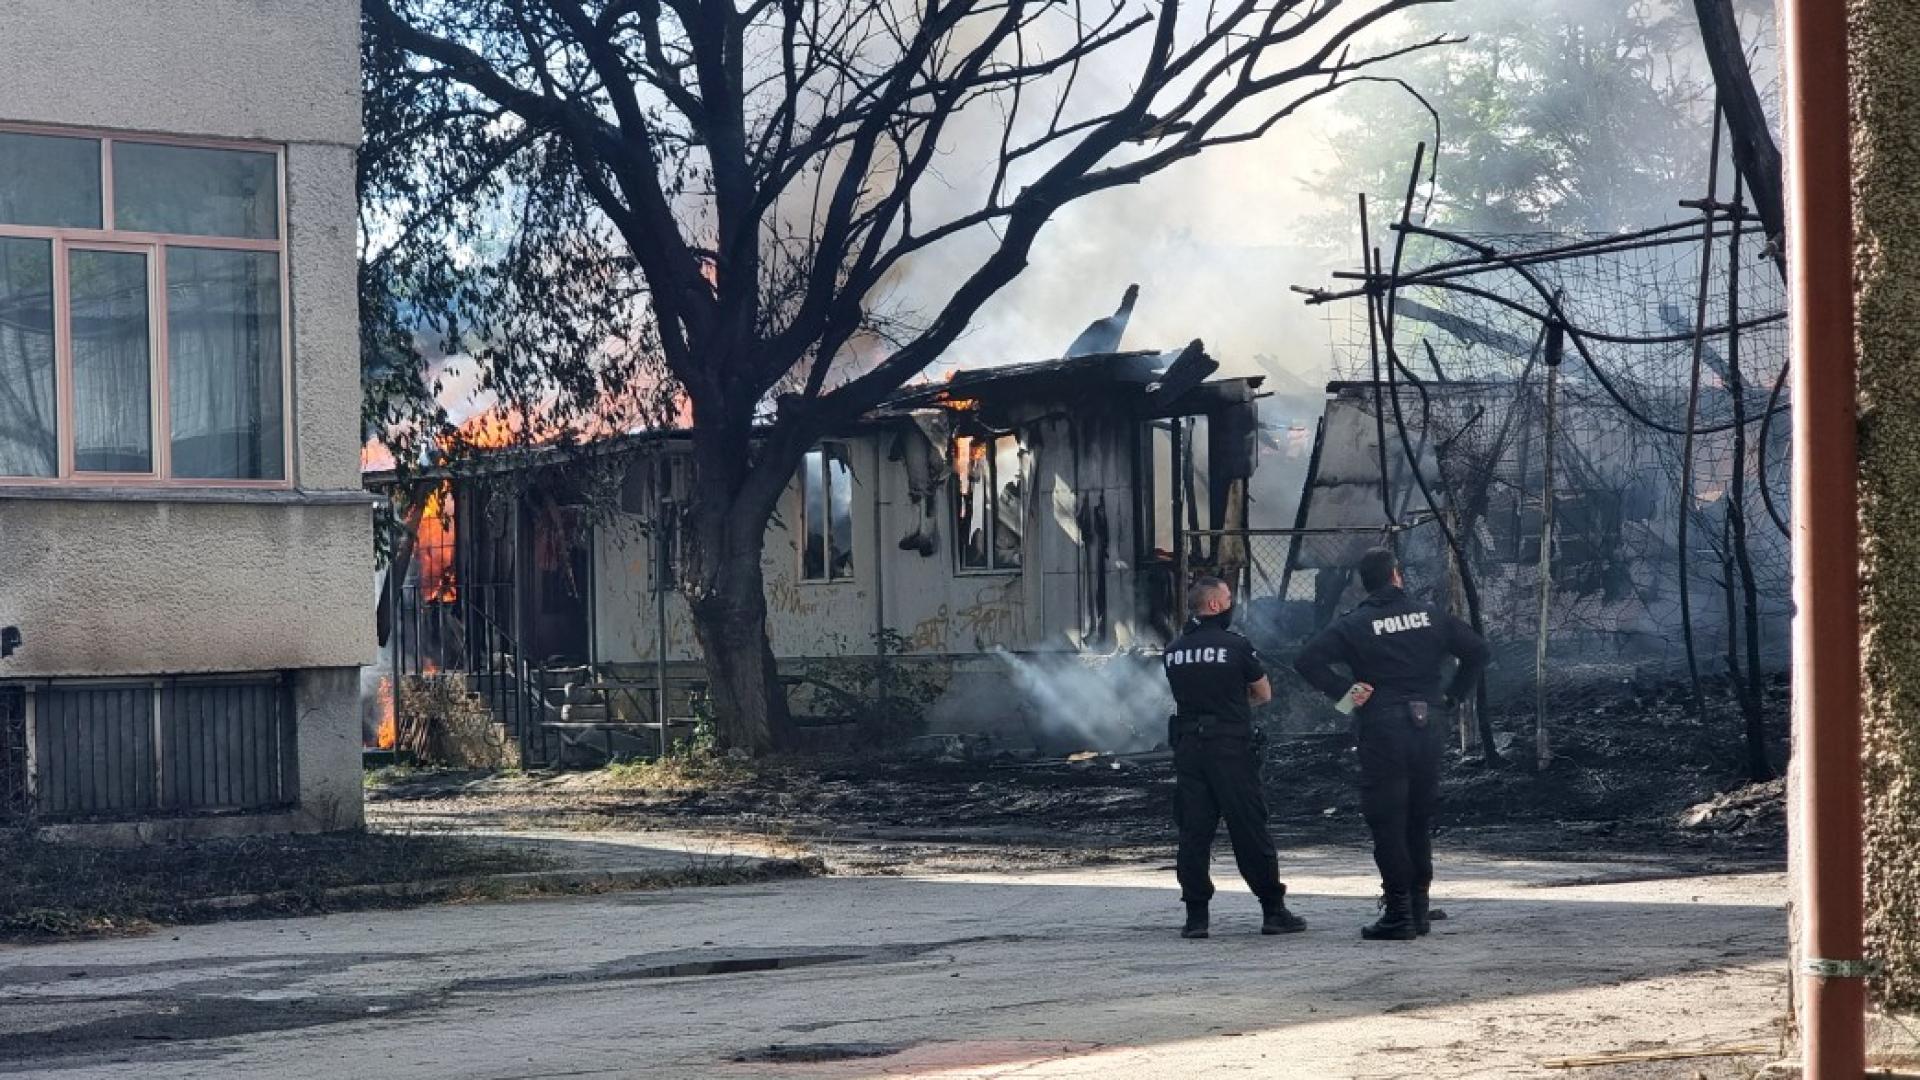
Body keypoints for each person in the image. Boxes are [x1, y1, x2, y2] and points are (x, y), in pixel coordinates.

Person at [1292, 547, 1490, 941]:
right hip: (1429, 725)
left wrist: (1346, 695)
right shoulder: (1430, 615)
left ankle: (1398, 913)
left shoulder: (1355, 624)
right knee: (1418, 817)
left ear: (1364, 583)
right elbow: (1479, 652)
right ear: (1397, 575)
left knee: (1388, 820)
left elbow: (1307, 661)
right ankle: (1418, 909)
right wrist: (1451, 698)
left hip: (1383, 729)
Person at [1162, 576, 1307, 939]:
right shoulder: (1236, 646)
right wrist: (1233, 705)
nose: (1232, 603)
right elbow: (1263, 693)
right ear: (1214, 605)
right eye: (1227, 598)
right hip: (1229, 748)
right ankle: (1273, 911)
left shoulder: (1174, 649)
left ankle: (1196, 918)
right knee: (1249, 827)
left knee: (1194, 831)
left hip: (1189, 749)